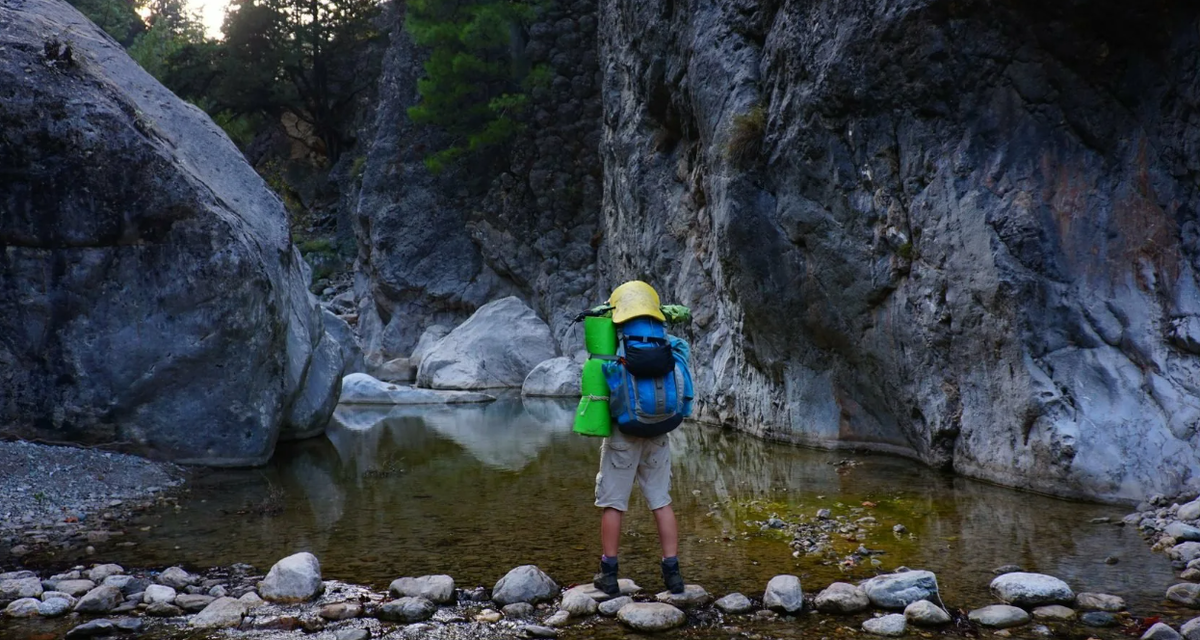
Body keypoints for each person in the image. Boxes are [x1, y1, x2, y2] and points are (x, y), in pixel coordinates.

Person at [590, 281, 689, 596]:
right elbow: (684, 380)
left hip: (625, 432)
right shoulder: (669, 344)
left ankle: (609, 574)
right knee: (661, 501)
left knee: (613, 504)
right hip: (660, 429)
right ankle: (673, 576)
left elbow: (599, 380)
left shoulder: (615, 347)